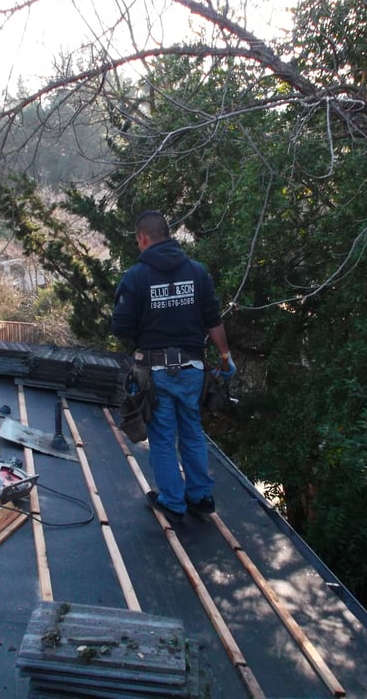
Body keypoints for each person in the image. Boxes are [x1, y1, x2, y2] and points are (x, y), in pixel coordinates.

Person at [111, 210, 236, 522]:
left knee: (163, 437)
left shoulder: (136, 277)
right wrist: (224, 357)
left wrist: (144, 339)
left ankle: (172, 502)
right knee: (192, 431)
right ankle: (200, 496)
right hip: (193, 369)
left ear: (142, 238)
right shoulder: (197, 272)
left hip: (157, 373)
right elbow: (213, 320)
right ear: (168, 234)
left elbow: (120, 326)